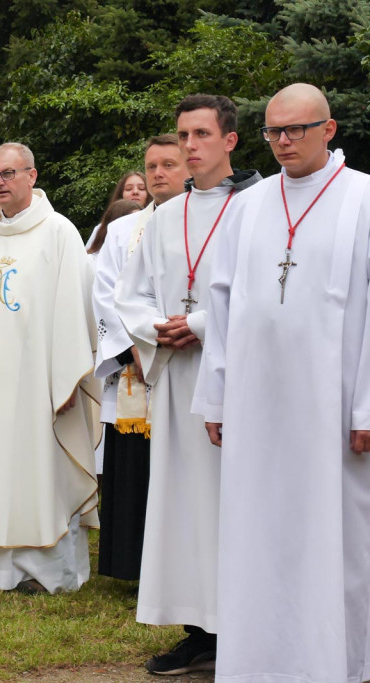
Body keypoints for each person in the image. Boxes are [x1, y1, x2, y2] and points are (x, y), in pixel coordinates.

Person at [194, 83, 370, 682]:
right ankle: (259, 661)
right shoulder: (249, 204)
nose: (283, 141)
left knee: (336, 539)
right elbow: (222, 301)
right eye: (273, 131)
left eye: (296, 129)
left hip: (333, 407)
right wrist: (216, 395)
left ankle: (337, 664)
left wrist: (366, 407)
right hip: (257, 406)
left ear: (329, 128)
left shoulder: (362, 198)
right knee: (257, 530)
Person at [114, 95, 261, 675]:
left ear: (230, 141)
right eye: (183, 135)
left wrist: (200, 324)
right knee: (185, 504)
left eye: (201, 134)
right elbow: (131, 292)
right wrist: (158, 326)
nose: (190, 145)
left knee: (233, 502)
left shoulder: (259, 207)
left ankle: (245, 625)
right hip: (177, 377)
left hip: (236, 376)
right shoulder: (164, 216)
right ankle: (200, 630)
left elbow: (264, 290)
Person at [0, 142, 99, 594]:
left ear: (32, 175)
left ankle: (46, 571)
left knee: (37, 468)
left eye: (8, 174)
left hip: (37, 381)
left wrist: (66, 380)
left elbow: (74, 310)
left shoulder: (59, 233)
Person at [91, 134, 190, 583]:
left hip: (188, 355)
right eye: (151, 166)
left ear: (188, 167)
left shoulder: (203, 221)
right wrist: (138, 345)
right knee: (136, 467)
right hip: (135, 365)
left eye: (168, 165)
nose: (157, 174)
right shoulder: (123, 230)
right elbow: (106, 293)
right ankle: (132, 564)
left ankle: (180, 566)